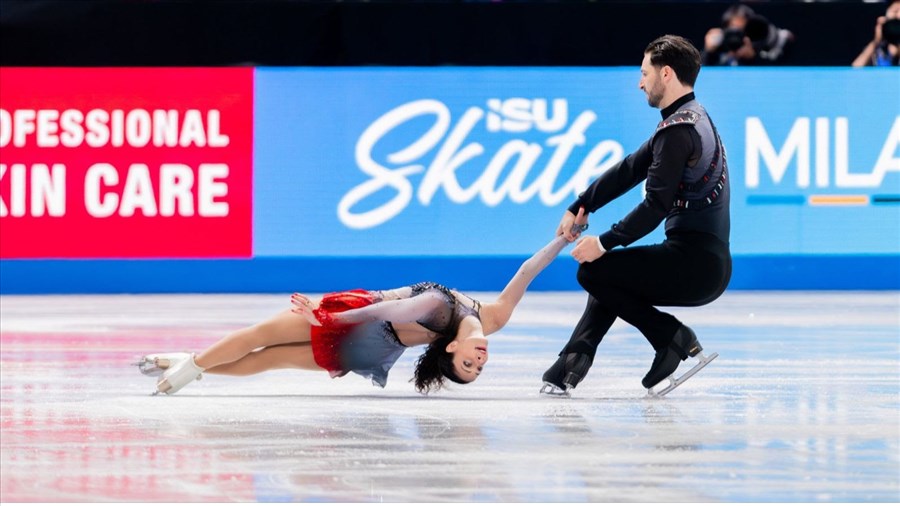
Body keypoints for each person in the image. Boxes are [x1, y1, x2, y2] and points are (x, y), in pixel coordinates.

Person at [136, 212, 588, 396]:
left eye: (469, 367)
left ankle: (189, 367)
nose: (480, 362)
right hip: (373, 342)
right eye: (479, 367)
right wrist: (561, 240)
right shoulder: (495, 318)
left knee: (261, 340)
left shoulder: (439, 309)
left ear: (452, 350)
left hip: (364, 323)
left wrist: (325, 314)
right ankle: (187, 363)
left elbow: (380, 312)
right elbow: (528, 271)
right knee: (267, 359)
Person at [540, 34, 732, 396]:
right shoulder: (691, 118)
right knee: (611, 275)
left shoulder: (679, 130)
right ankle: (573, 361)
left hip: (695, 266)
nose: (639, 82)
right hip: (704, 260)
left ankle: (671, 336)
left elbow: (655, 206)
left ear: (667, 74)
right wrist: (580, 205)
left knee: (594, 270)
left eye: (645, 72)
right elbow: (630, 169)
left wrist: (604, 241)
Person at [701, 3, 794, 66]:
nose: (736, 38)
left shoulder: (762, 50)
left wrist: (752, 58)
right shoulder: (718, 48)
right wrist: (709, 53)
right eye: (732, 31)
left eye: (741, 32)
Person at [852, 0, 900, 67]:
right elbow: (855, 68)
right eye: (895, 11)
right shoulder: (878, 48)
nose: (898, 15)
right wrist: (876, 42)